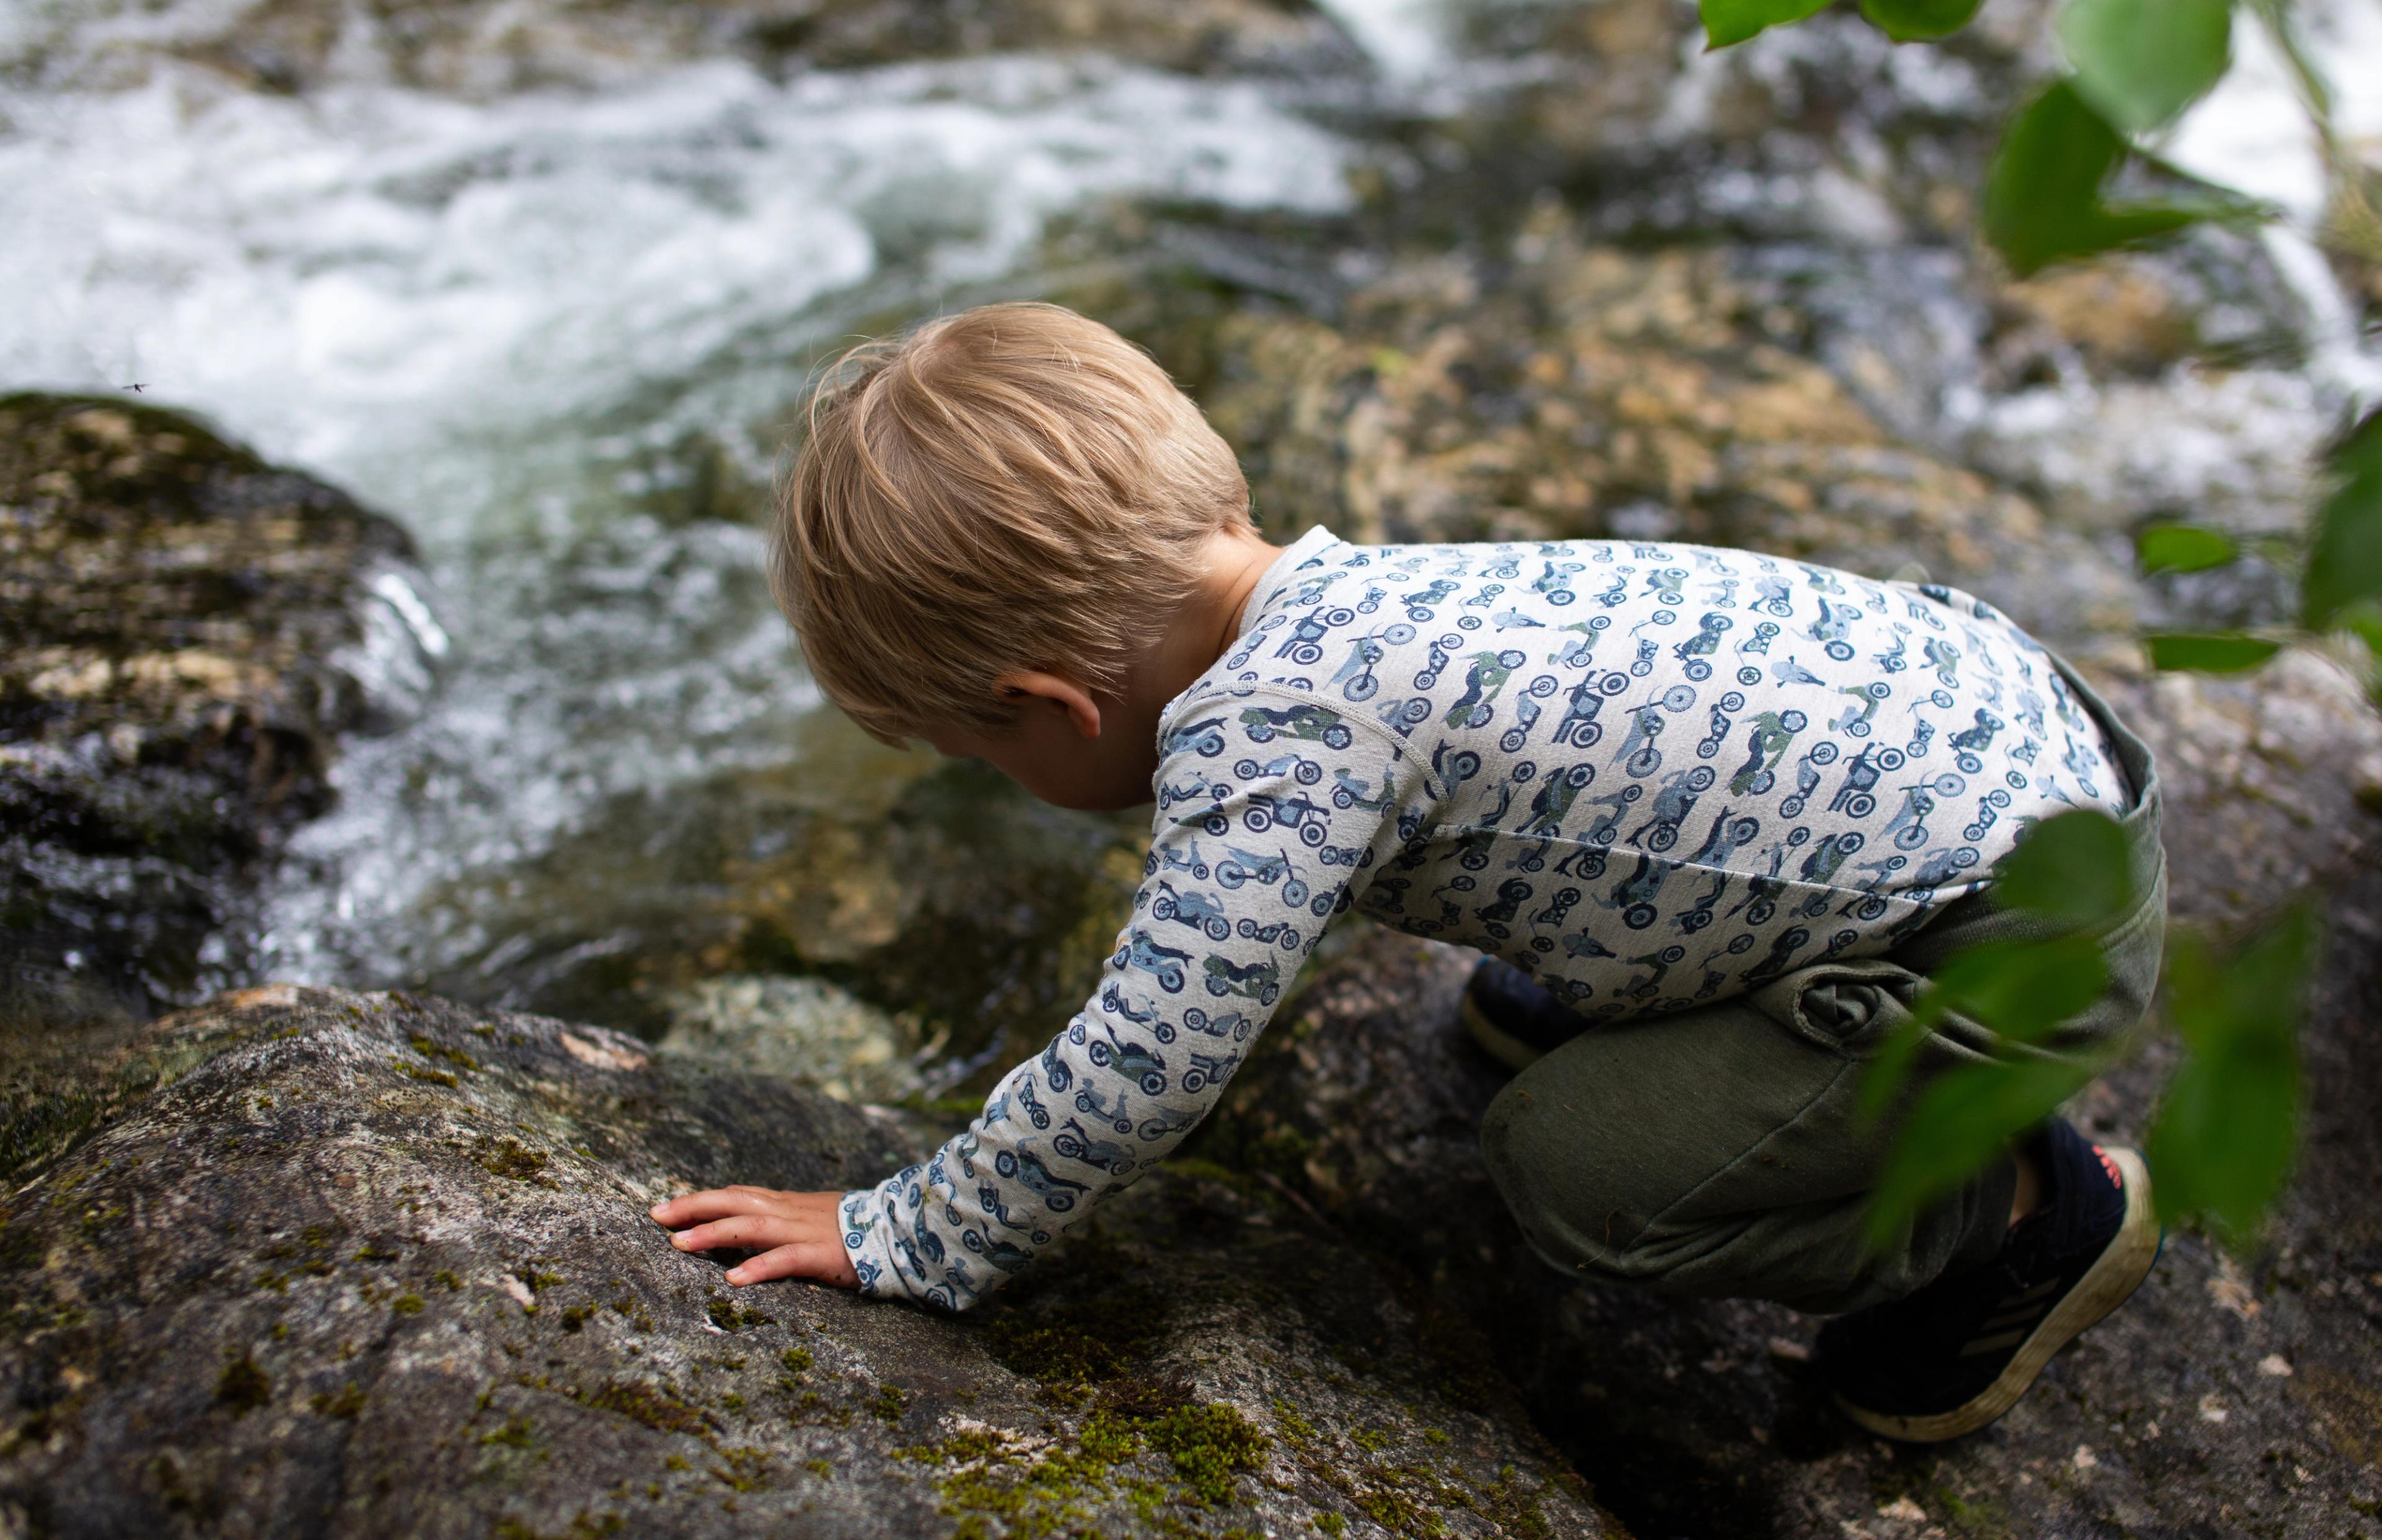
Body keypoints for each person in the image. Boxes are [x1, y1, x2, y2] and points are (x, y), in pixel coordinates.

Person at [649, 301, 2167, 1443]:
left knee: (1569, 1168)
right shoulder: (1353, 596)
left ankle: (2026, 1207)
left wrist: (916, 1225)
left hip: (2000, 936)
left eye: (983, 758)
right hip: (2023, 725)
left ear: (1055, 706)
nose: (1012, 787)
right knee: (1536, 983)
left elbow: (1151, 1054)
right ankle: (1716, 994)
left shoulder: (1280, 744)